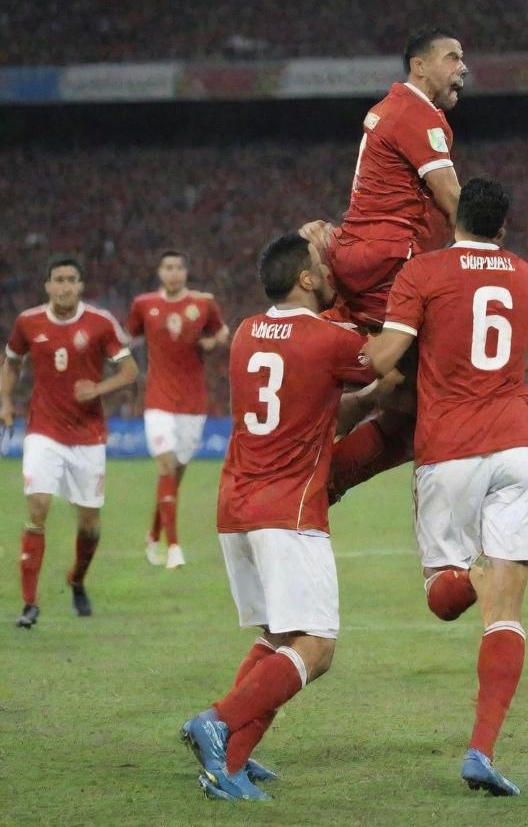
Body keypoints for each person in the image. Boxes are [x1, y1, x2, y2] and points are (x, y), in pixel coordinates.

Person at [364, 178, 528, 797]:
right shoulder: (526, 275)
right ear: (503, 226)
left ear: (456, 218)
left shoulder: (424, 273)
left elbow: (389, 354)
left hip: (448, 450)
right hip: (519, 449)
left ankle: (475, 572)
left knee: (445, 599)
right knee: (507, 611)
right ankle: (481, 748)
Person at [180, 233, 385, 802]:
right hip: (288, 510)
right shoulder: (327, 338)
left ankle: (232, 761)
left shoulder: (246, 332)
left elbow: (317, 400)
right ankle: (218, 722)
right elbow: (384, 360)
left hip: (236, 504)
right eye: (321, 265)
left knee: (279, 635)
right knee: (315, 647)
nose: (328, 269)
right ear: (305, 280)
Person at [300, 28, 469, 499]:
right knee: (432, 398)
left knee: (403, 391)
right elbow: (453, 199)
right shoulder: (420, 115)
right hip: (390, 262)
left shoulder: (387, 109)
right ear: (419, 65)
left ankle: (340, 422)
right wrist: (486, 256)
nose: (463, 68)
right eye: (452, 58)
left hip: (360, 254)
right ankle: (317, 480)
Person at [1, 258, 138, 627]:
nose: (64, 286)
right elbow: (11, 361)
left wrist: (98, 387)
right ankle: (29, 605)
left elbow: (129, 371)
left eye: (71, 280)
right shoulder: (28, 322)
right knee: (39, 506)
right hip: (43, 431)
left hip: (88, 436)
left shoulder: (99, 322)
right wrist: (5, 401)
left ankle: (77, 580)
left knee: (90, 522)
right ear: (47, 285)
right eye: (58, 280)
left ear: (81, 286)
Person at [125, 250, 229, 569]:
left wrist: (212, 343)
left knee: (175, 474)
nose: (173, 273)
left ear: (185, 272)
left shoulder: (203, 304)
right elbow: (127, 339)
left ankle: (153, 534)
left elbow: (222, 332)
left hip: (193, 402)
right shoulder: (143, 305)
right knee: (167, 467)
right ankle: (174, 547)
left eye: (178, 268)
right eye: (167, 267)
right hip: (158, 400)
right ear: (159, 272)